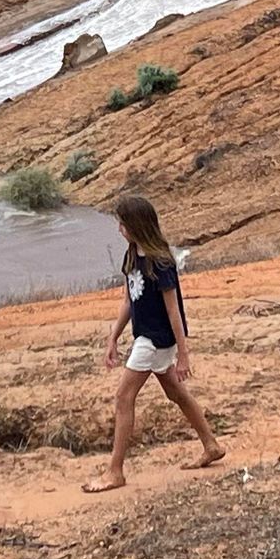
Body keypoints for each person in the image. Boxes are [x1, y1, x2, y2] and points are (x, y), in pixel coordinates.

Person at [82, 194, 224, 493]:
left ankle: (115, 471)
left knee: (123, 398)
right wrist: (113, 337)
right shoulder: (133, 255)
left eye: (122, 223)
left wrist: (184, 355)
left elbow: (174, 310)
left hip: (155, 340)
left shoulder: (160, 262)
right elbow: (128, 300)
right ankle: (211, 445)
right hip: (144, 336)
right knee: (176, 393)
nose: (119, 228)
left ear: (135, 224)